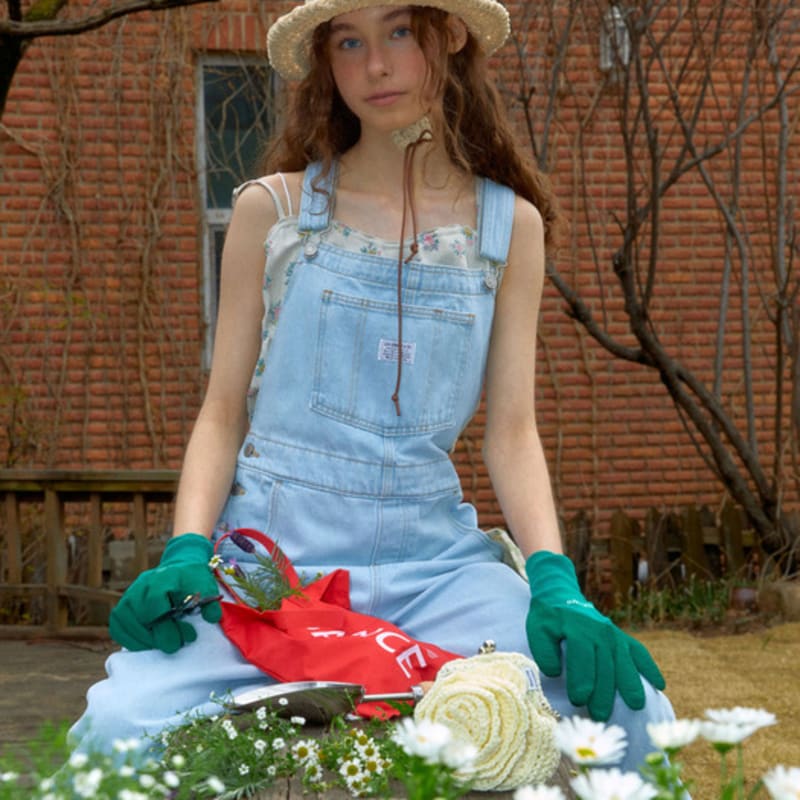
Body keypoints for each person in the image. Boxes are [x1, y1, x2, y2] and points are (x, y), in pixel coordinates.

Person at [70, 0, 675, 772]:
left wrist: (556, 582)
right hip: (275, 567)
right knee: (119, 727)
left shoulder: (508, 228)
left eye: (397, 32)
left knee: (631, 711)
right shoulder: (274, 213)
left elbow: (512, 431)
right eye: (349, 42)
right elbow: (222, 413)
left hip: (437, 565)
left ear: (449, 35)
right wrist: (187, 548)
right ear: (326, 61)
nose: (375, 66)